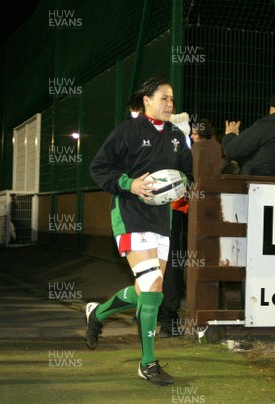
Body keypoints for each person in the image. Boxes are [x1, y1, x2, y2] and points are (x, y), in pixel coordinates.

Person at [86, 77, 193, 386]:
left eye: (172, 99)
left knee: (149, 291)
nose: (169, 104)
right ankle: (147, 363)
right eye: (163, 98)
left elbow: (188, 170)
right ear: (146, 100)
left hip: (161, 220)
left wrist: (185, 183)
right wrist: (129, 184)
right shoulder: (127, 132)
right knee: (153, 285)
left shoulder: (175, 135)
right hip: (130, 215)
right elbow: (99, 168)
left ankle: (99, 314)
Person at [222, 88, 275, 177]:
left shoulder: (266, 126)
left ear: (273, 107)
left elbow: (231, 150)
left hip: (257, 184)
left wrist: (230, 134)